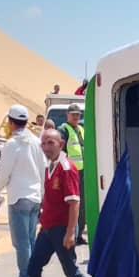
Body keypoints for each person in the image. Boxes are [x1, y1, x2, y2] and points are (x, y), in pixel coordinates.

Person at [7, 129, 94, 277]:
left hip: (62, 228)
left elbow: (74, 203)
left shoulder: (66, 168)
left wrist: (71, 232)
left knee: (72, 272)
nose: (46, 146)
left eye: (50, 143)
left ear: (61, 144)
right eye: (44, 143)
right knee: (33, 267)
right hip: (48, 228)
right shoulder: (49, 166)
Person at [0, 105, 46, 277]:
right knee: (30, 240)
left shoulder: (12, 144)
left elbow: (3, 171)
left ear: (11, 121)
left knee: (21, 242)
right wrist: (42, 194)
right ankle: (33, 276)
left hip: (18, 197)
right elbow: (43, 168)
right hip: (35, 198)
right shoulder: (35, 141)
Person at [59, 103, 87, 245]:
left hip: (83, 173)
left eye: (78, 114)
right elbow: (60, 152)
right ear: (67, 115)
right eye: (73, 114)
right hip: (71, 173)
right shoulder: (63, 130)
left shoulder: (81, 129)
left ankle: (79, 234)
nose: (76, 116)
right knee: (72, 204)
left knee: (82, 206)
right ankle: (71, 233)